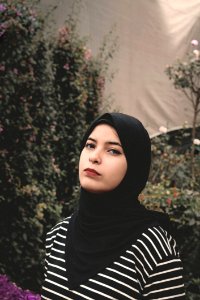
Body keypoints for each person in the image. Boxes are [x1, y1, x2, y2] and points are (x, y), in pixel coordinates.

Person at [41, 112, 185, 299]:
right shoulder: (58, 234)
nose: (94, 157)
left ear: (134, 165)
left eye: (113, 150)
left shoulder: (153, 248)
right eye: (90, 145)